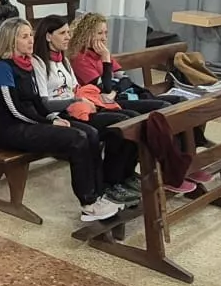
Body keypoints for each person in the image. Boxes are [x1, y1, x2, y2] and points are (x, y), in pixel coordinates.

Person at [0, 18, 129, 222]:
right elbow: (13, 108)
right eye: (24, 37)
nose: (31, 41)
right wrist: (47, 122)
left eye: (31, 36)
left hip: (32, 121)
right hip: (13, 128)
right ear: (10, 40)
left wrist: (52, 116)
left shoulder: (28, 64)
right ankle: (88, 202)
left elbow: (38, 102)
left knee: (91, 133)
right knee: (77, 138)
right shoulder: (2, 68)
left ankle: (99, 193)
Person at [32, 15, 141, 205]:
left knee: (132, 118)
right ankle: (110, 183)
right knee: (119, 125)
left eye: (68, 32)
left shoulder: (63, 60)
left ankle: (122, 177)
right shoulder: (40, 62)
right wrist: (78, 100)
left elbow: (76, 87)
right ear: (48, 36)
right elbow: (45, 101)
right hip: (64, 112)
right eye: (63, 33)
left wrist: (87, 98)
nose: (68, 37)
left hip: (80, 105)